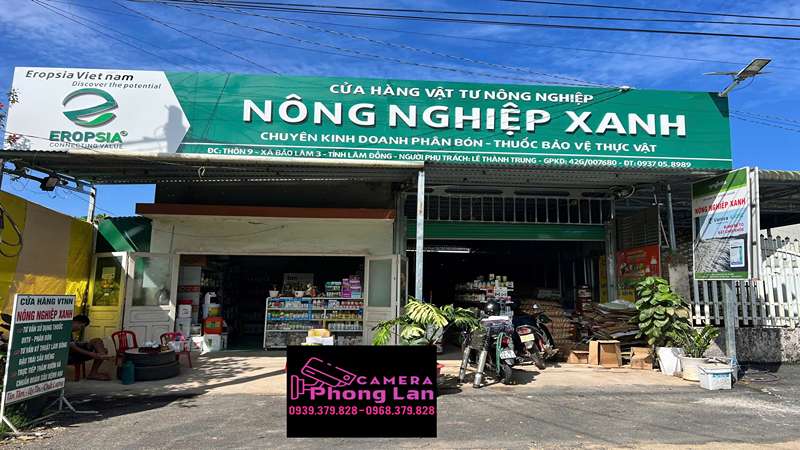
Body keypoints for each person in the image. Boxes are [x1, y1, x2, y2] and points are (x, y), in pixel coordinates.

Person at [69, 315, 114, 380]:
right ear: (76, 322)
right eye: (81, 326)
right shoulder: (66, 330)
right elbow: (72, 347)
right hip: (71, 355)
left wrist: (82, 343)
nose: (80, 329)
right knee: (101, 349)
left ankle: (102, 355)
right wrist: (91, 354)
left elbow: (72, 344)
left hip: (74, 350)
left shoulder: (70, 331)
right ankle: (94, 371)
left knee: (97, 340)